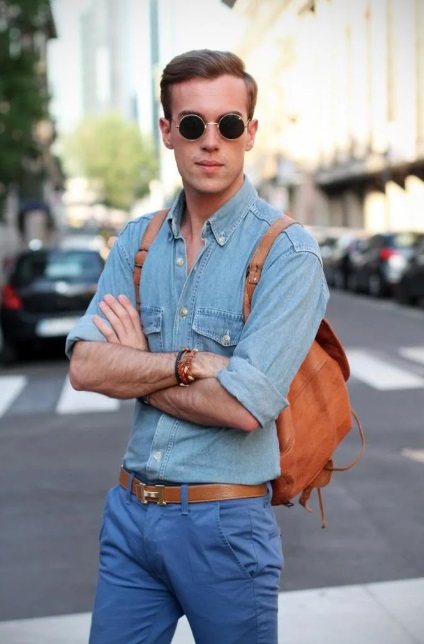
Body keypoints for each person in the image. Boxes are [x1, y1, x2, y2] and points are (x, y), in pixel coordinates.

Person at [66, 49, 329, 644]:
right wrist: (190, 365)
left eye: (228, 124)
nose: (211, 140)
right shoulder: (137, 242)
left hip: (226, 527)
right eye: (193, 124)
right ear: (168, 132)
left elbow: (245, 405)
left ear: (250, 133)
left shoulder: (288, 255)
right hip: (131, 517)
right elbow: (85, 366)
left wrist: (137, 368)